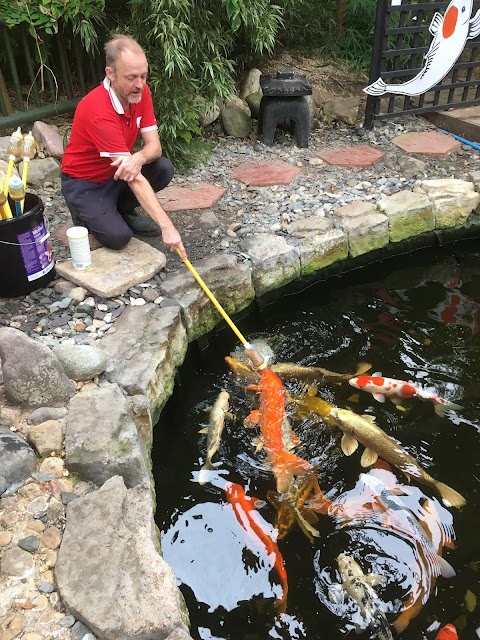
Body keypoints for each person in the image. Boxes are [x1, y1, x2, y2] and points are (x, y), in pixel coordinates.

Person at [61, 34, 186, 258]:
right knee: (118, 238)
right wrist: (168, 228)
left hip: (115, 174)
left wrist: (137, 158)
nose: (139, 84)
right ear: (111, 74)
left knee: (163, 168)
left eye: (143, 76)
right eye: (131, 78)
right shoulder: (99, 110)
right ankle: (84, 214)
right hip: (85, 183)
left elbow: (154, 147)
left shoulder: (140, 92)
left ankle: (121, 210)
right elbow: (134, 178)